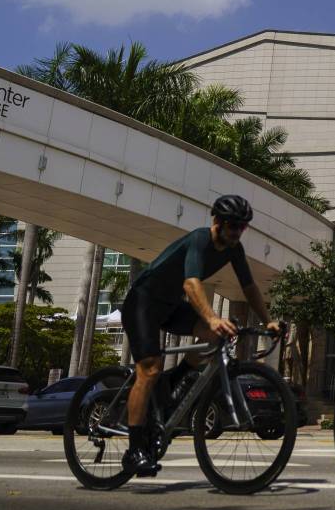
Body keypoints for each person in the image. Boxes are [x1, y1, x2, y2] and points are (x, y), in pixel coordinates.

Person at [119, 194, 279, 476]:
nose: (237, 232)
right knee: (150, 368)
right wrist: (212, 317)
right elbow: (191, 284)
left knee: (216, 336)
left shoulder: (234, 250)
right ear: (217, 221)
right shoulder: (199, 239)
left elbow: (250, 287)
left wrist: (269, 322)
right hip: (143, 302)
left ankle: (175, 381)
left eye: (242, 227)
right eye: (233, 226)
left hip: (169, 306)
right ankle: (134, 451)